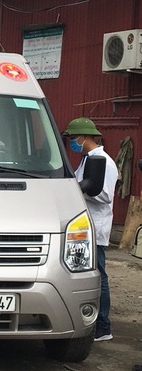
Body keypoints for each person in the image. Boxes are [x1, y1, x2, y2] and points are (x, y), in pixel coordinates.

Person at [63, 117, 119, 342]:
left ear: (85, 137)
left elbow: (105, 194)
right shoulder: (87, 159)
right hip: (83, 227)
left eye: (74, 138)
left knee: (99, 276)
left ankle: (103, 326)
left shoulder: (103, 161)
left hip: (96, 226)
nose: (73, 142)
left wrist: (82, 189)